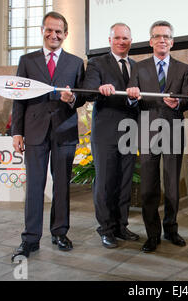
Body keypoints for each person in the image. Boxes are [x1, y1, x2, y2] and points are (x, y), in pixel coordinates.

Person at [11, 11, 85, 262]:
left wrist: (72, 98)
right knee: (34, 186)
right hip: (34, 132)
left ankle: (60, 233)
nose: (54, 35)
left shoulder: (76, 63)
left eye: (59, 31)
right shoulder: (27, 61)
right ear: (42, 31)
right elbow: (18, 99)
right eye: (49, 30)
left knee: (62, 185)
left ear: (66, 34)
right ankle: (30, 239)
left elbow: (82, 96)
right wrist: (17, 131)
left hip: (64, 130)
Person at [62, 23, 140, 249]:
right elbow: (87, 93)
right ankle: (105, 229)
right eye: (117, 38)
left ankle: (121, 226)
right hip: (105, 133)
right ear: (110, 40)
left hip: (129, 131)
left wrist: (135, 98)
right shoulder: (97, 63)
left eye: (125, 38)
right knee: (105, 183)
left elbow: (138, 97)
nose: (121, 41)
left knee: (125, 182)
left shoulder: (136, 66)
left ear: (131, 41)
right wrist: (100, 90)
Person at [126, 21, 188, 253]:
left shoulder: (183, 68)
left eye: (166, 36)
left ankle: (171, 229)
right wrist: (132, 96)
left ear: (172, 42)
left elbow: (187, 100)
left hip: (173, 129)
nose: (162, 40)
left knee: (173, 186)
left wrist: (179, 102)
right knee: (148, 187)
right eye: (157, 36)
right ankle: (152, 234)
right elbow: (131, 96)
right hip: (148, 131)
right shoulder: (139, 67)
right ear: (151, 41)